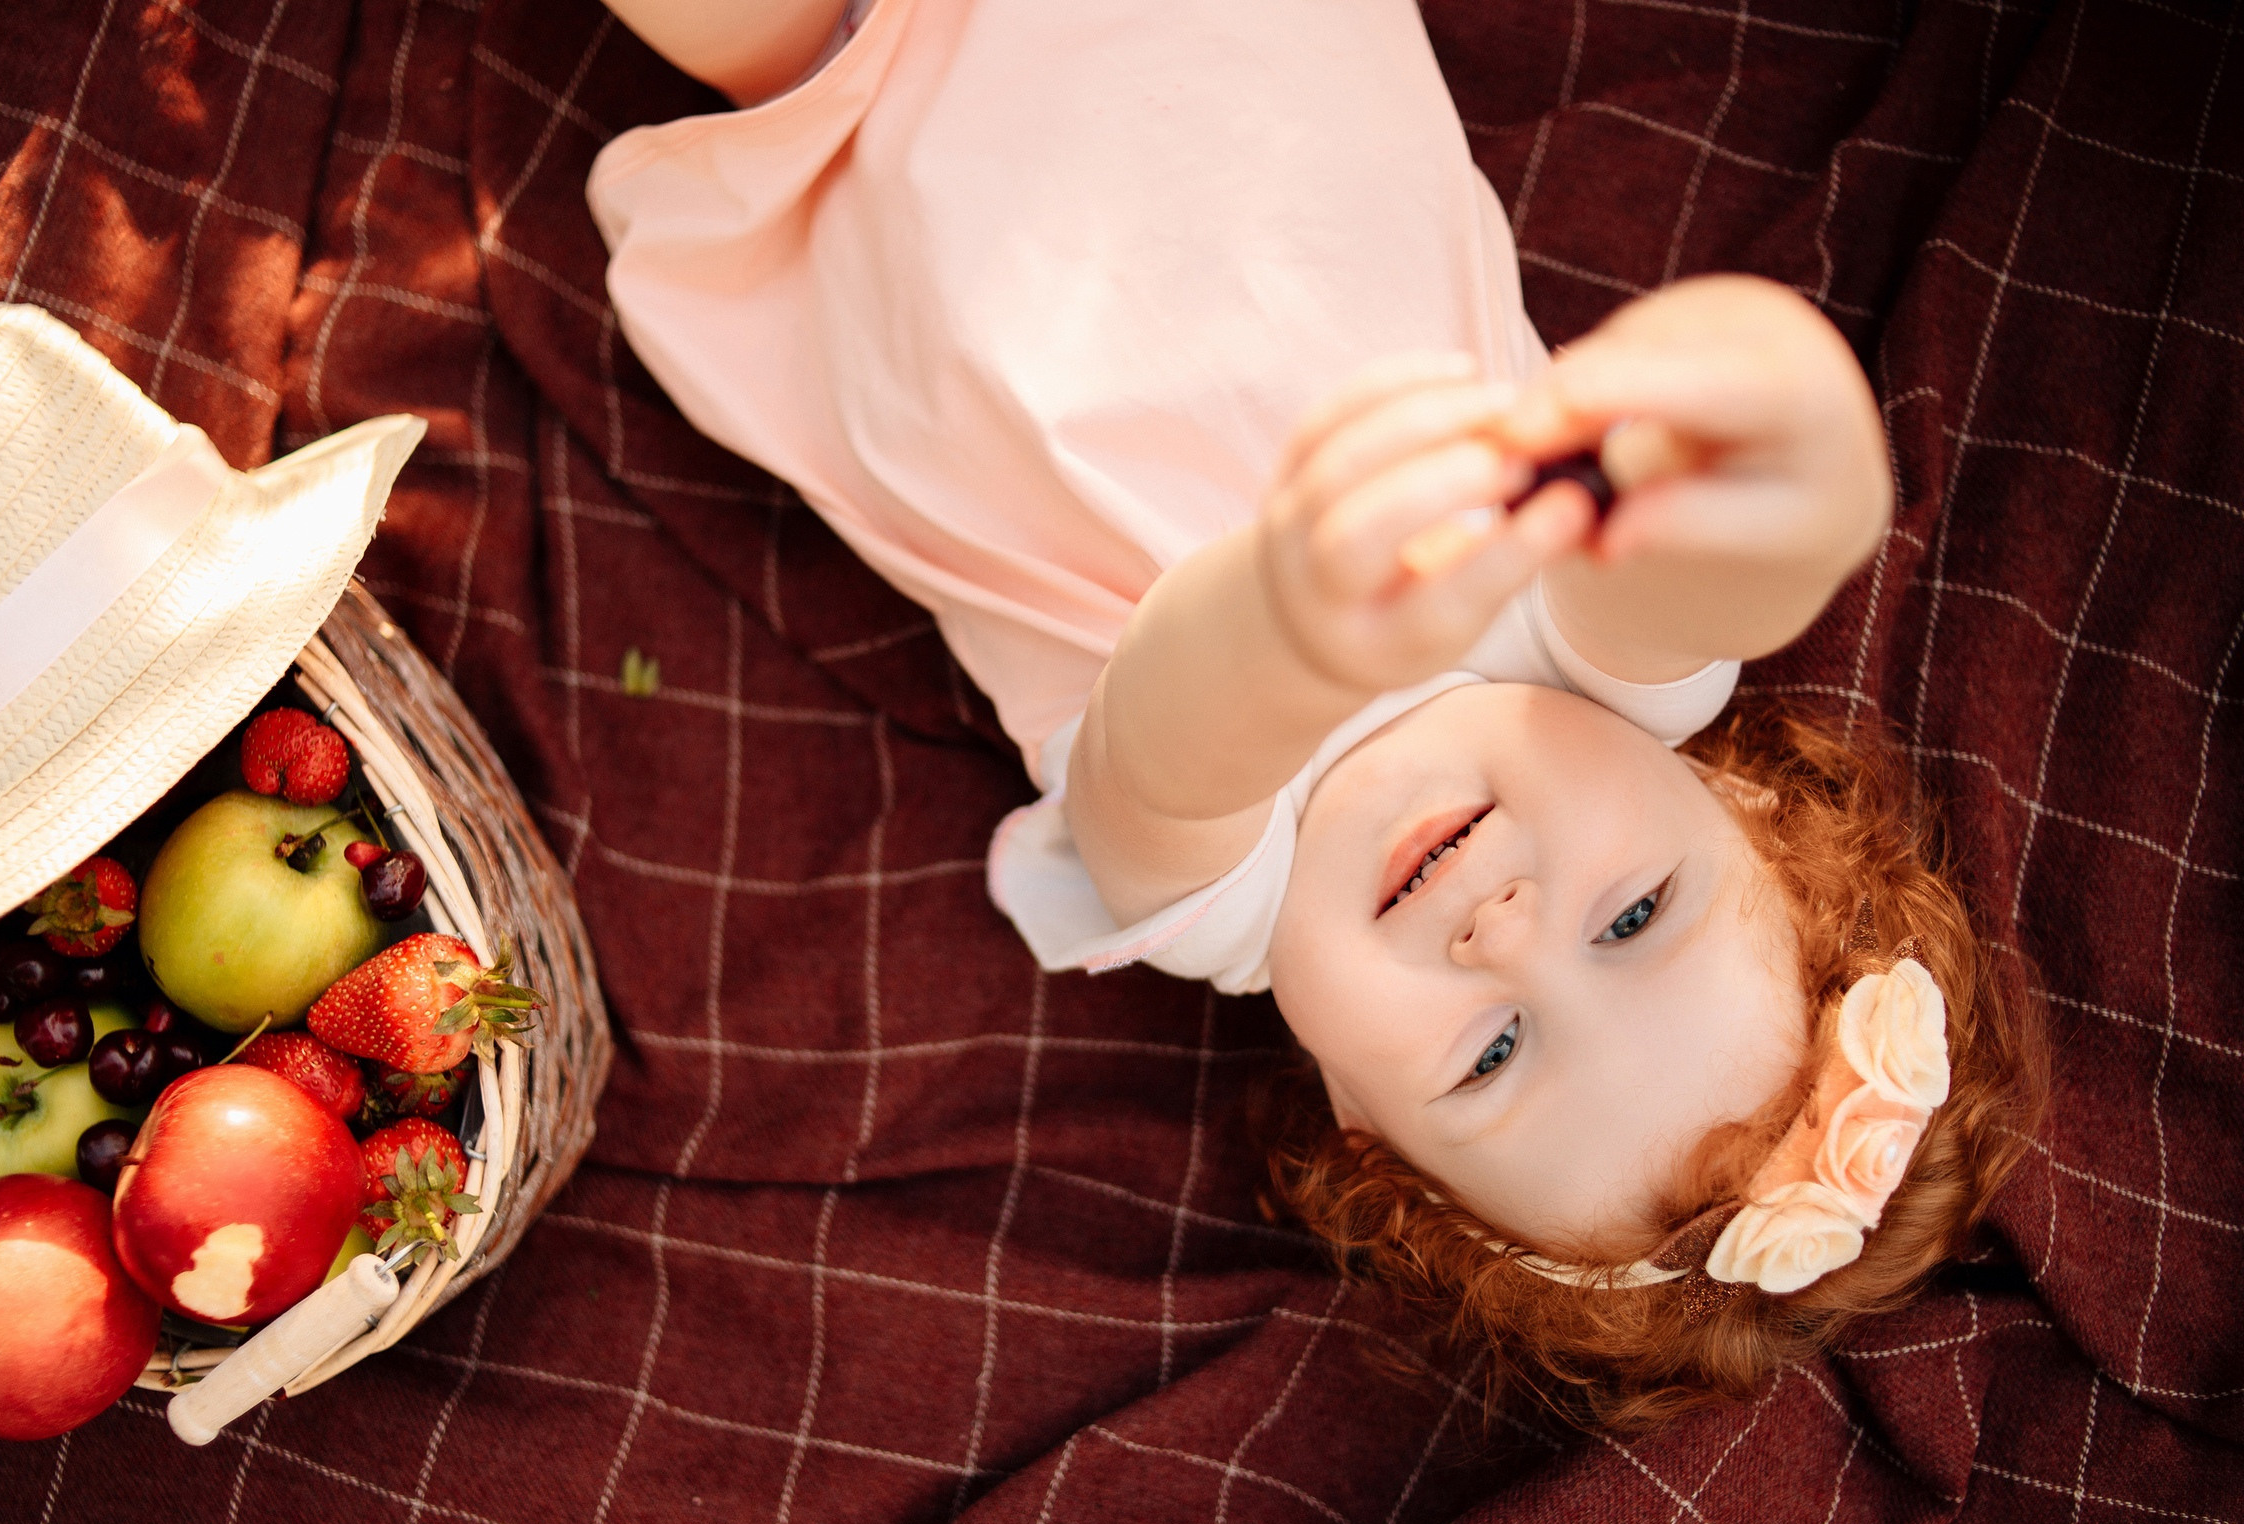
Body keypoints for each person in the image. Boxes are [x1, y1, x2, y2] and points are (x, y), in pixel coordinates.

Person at [582, 0, 2044, 1427]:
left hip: (842, 102)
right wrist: (1799, 463)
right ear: (1738, 802)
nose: (1504, 933)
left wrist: (1290, 624)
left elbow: (1168, 740)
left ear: (1362, 1125)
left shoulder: (1228, 905)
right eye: (1634, 917)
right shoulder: (1595, 662)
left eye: (1492, 1055)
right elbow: (1730, 549)